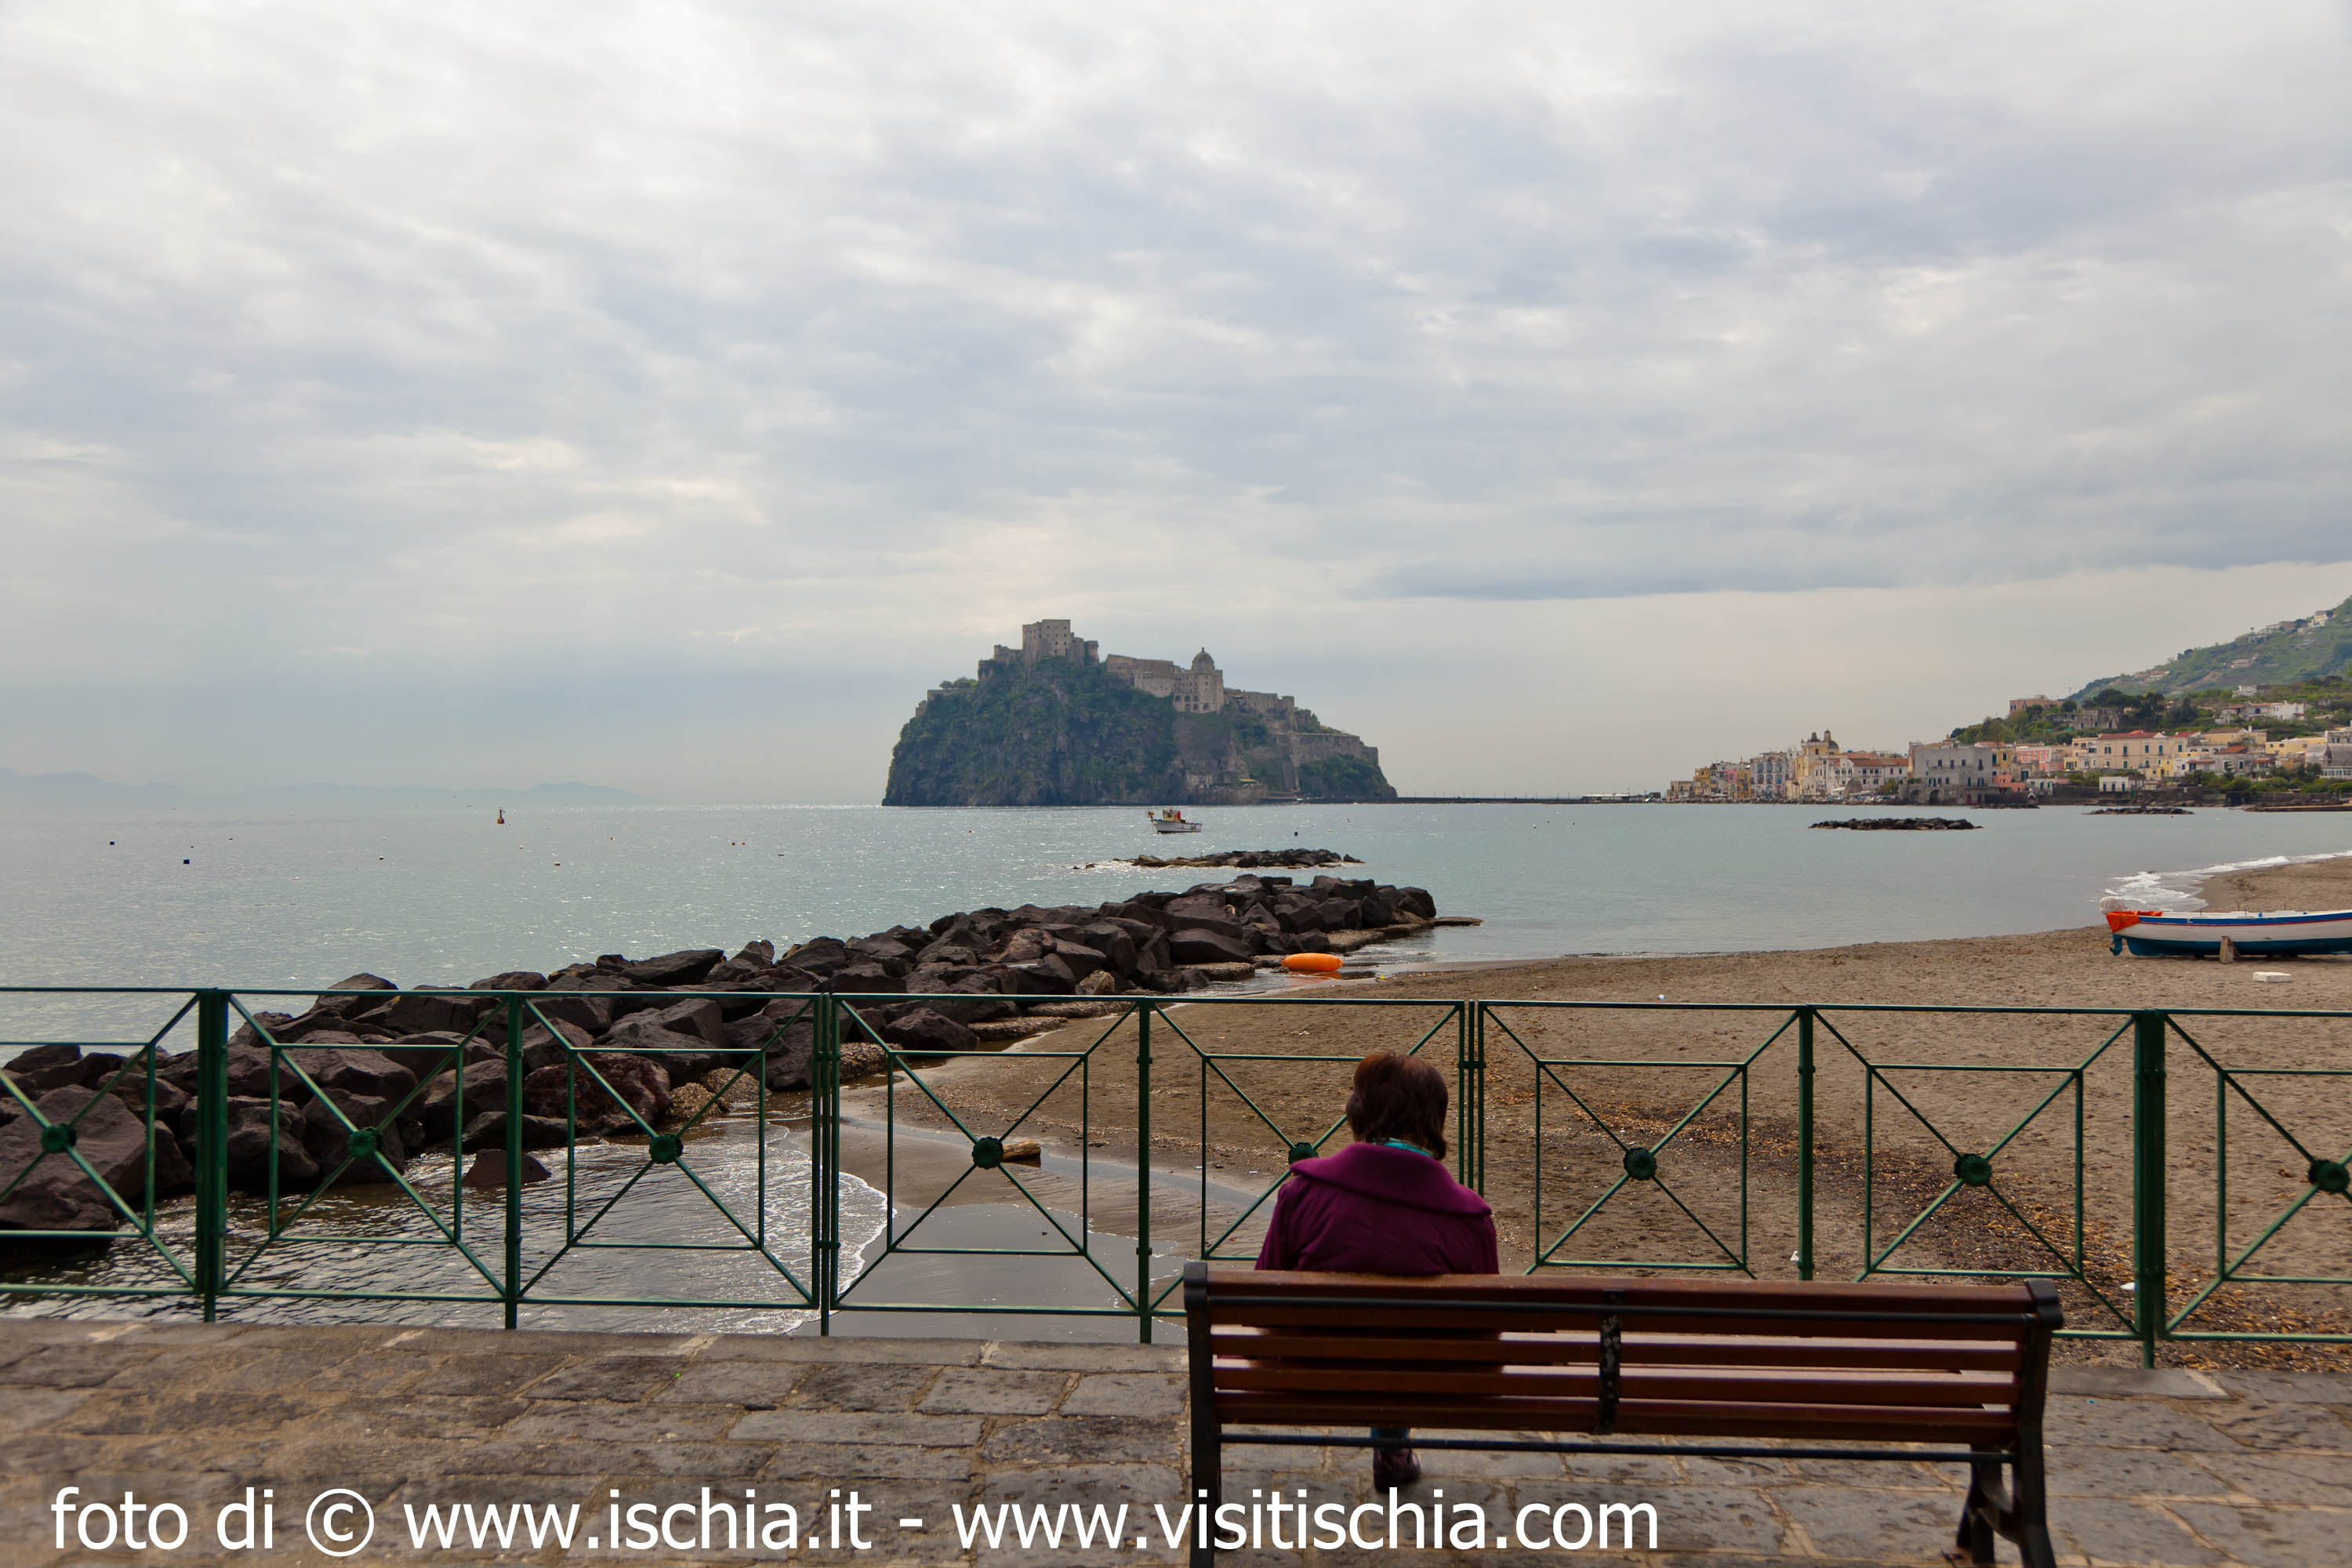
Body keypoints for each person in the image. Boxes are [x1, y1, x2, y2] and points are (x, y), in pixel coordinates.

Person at [1255, 1051, 1498, 1490]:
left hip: (1309, 1370)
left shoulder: (1303, 1194)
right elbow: (1485, 1326)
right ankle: (1392, 1449)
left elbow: (1262, 1296)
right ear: (1434, 1120)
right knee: (1404, 1345)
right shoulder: (1469, 1218)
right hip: (1432, 1380)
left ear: (1358, 1114)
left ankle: (1392, 1447)